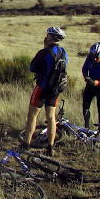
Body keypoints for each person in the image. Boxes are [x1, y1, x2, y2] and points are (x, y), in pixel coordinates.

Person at [22, 27, 68, 156]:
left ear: (51, 37)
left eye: (48, 35)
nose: (46, 37)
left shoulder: (45, 52)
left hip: (42, 88)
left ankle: (26, 144)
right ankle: (50, 147)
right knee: (51, 117)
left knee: (32, 115)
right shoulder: (63, 52)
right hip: (55, 91)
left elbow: (32, 67)